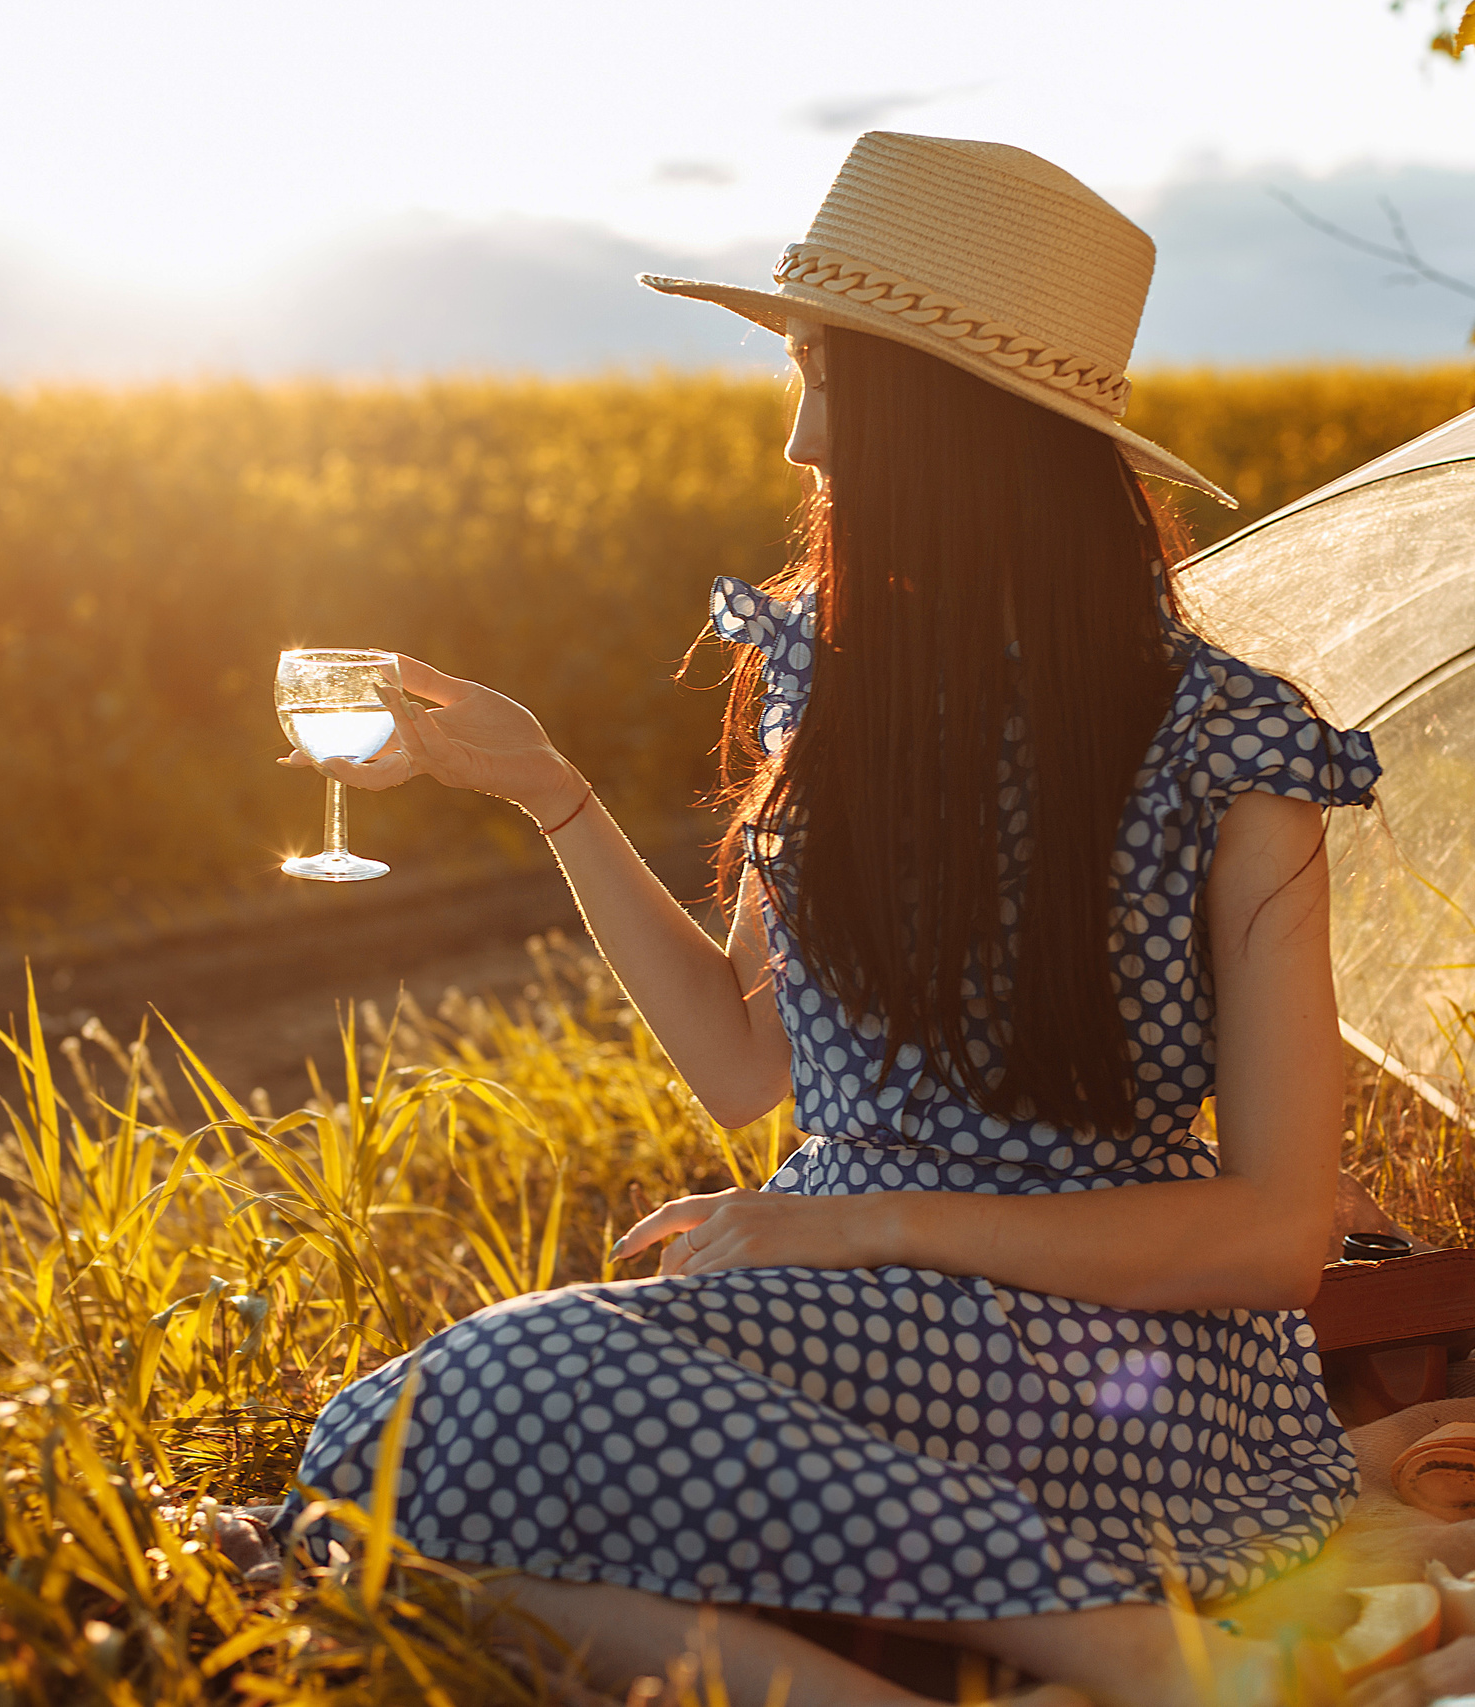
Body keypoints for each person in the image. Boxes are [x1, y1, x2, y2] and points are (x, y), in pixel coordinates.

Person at [271, 131, 1382, 1707]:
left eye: (821, 371)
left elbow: (1278, 1236)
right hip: (829, 1310)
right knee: (372, 1473)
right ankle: (1143, 1667)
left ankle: (1134, 1652)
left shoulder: (1229, 748)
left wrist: (863, 1221)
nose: (799, 438)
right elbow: (744, 1068)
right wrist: (554, 796)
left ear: (951, 424)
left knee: (456, 1417)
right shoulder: (834, 696)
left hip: (1114, 1361)